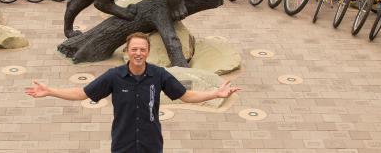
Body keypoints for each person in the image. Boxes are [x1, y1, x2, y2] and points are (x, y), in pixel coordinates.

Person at [25, 32, 241, 153]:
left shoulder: (159, 75)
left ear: (147, 52)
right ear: (127, 52)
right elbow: (82, 93)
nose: (138, 53)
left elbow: (185, 95)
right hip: (122, 144)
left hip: (151, 144)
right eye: (134, 49)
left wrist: (215, 94)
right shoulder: (114, 76)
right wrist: (51, 91)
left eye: (142, 49)